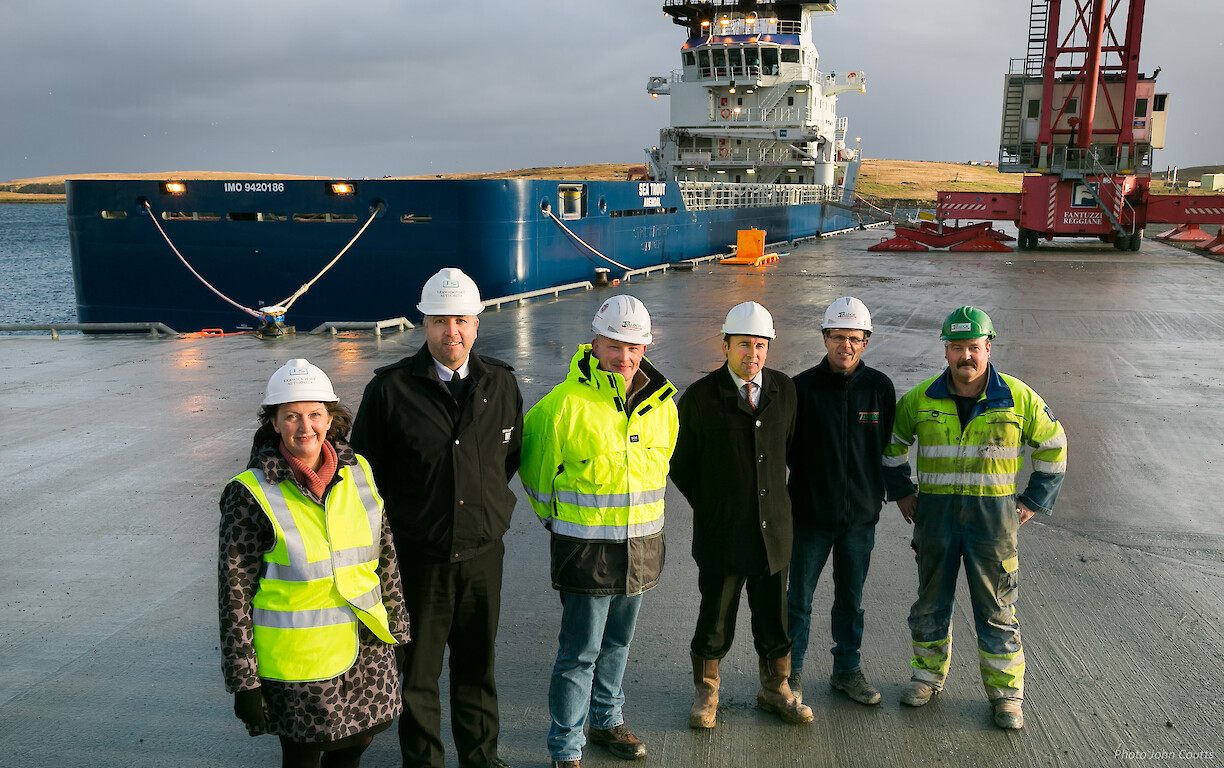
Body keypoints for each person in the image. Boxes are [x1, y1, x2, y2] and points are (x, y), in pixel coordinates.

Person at [350, 268, 523, 768]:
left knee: (477, 669)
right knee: (419, 675)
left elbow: (503, 463)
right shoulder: (390, 392)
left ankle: (481, 758)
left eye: (462, 321)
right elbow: (366, 475)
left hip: (482, 556)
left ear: (477, 324)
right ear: (423, 324)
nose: (453, 332)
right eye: (441, 321)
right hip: (417, 558)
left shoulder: (502, 384)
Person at [883, 306, 1067, 730]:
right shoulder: (920, 399)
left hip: (992, 523)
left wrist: (1030, 502)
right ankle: (927, 677)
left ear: (988, 347)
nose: (966, 356)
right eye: (957, 348)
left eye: (974, 348)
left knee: (997, 610)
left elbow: (1054, 446)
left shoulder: (1018, 398)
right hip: (936, 520)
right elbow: (891, 446)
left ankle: (1006, 696)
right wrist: (903, 494)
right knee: (930, 603)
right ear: (945, 350)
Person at [219, 358, 408, 768]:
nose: (305, 427)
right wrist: (243, 681)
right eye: (291, 416)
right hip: (299, 664)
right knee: (303, 756)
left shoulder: (359, 472)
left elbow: (385, 556)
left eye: (315, 415)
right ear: (274, 422)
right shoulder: (249, 493)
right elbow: (233, 596)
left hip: (365, 649)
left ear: (331, 418)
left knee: (354, 747)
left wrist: (400, 631)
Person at [520, 295, 679, 768]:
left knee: (618, 644)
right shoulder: (563, 406)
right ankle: (566, 748)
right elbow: (535, 475)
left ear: (646, 347)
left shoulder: (662, 405)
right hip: (586, 550)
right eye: (614, 346)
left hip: (641, 547)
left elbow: (663, 464)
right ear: (594, 343)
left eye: (634, 347)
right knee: (579, 652)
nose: (625, 357)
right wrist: (562, 523)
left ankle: (607, 719)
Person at [670, 301, 812, 729]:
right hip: (722, 533)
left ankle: (776, 689)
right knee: (715, 616)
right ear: (726, 344)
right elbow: (681, 465)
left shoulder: (784, 391)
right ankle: (707, 694)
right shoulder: (698, 398)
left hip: (774, 533)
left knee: (774, 616)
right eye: (745, 344)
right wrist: (714, 504)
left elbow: (791, 449)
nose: (754, 354)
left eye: (761, 345)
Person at [785, 297, 896, 706]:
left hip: (860, 520)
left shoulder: (879, 388)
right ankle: (790, 675)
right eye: (837, 337)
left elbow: (886, 449)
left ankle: (847, 672)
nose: (845, 346)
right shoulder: (801, 389)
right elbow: (786, 449)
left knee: (851, 601)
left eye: (853, 338)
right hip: (810, 518)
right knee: (798, 601)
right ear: (825, 338)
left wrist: (878, 497)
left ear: (865, 341)